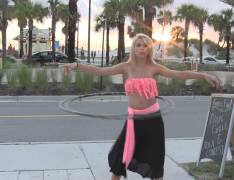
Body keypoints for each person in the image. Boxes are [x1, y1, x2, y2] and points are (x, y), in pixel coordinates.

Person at [62, 33, 220, 180]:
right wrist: (76, 66)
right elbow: (101, 71)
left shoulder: (155, 68)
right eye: (138, 45)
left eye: (145, 45)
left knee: (156, 161)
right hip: (134, 120)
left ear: (149, 48)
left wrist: (203, 75)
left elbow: (179, 75)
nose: (141, 48)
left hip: (153, 120)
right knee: (119, 159)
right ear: (133, 48)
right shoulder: (126, 67)